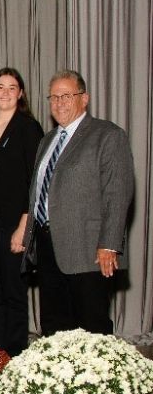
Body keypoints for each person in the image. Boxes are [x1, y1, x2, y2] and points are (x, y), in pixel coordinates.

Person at [22, 69, 134, 335]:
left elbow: (117, 193)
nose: (59, 102)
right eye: (54, 97)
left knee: (92, 327)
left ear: (85, 99)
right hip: (47, 245)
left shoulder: (107, 135)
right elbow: (38, 191)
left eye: (67, 95)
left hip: (89, 250)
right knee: (54, 326)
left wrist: (109, 244)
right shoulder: (47, 140)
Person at [0, 68, 44, 355]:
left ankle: (17, 355)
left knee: (13, 293)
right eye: (0, 87)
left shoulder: (28, 128)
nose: (5, 92)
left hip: (14, 224)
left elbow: (36, 183)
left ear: (20, 94)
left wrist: (24, 227)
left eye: (12, 87)